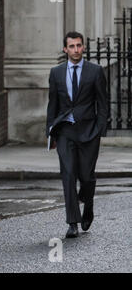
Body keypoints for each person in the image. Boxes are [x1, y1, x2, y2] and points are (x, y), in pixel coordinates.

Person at [46, 31, 107, 238]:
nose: (76, 50)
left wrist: (99, 130)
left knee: (87, 177)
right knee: (69, 174)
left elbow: (102, 103)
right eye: (71, 46)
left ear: (83, 47)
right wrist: (51, 134)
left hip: (89, 131)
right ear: (65, 49)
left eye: (79, 46)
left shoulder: (95, 71)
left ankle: (88, 204)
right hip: (65, 131)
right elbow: (52, 104)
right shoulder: (56, 73)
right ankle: (73, 222)